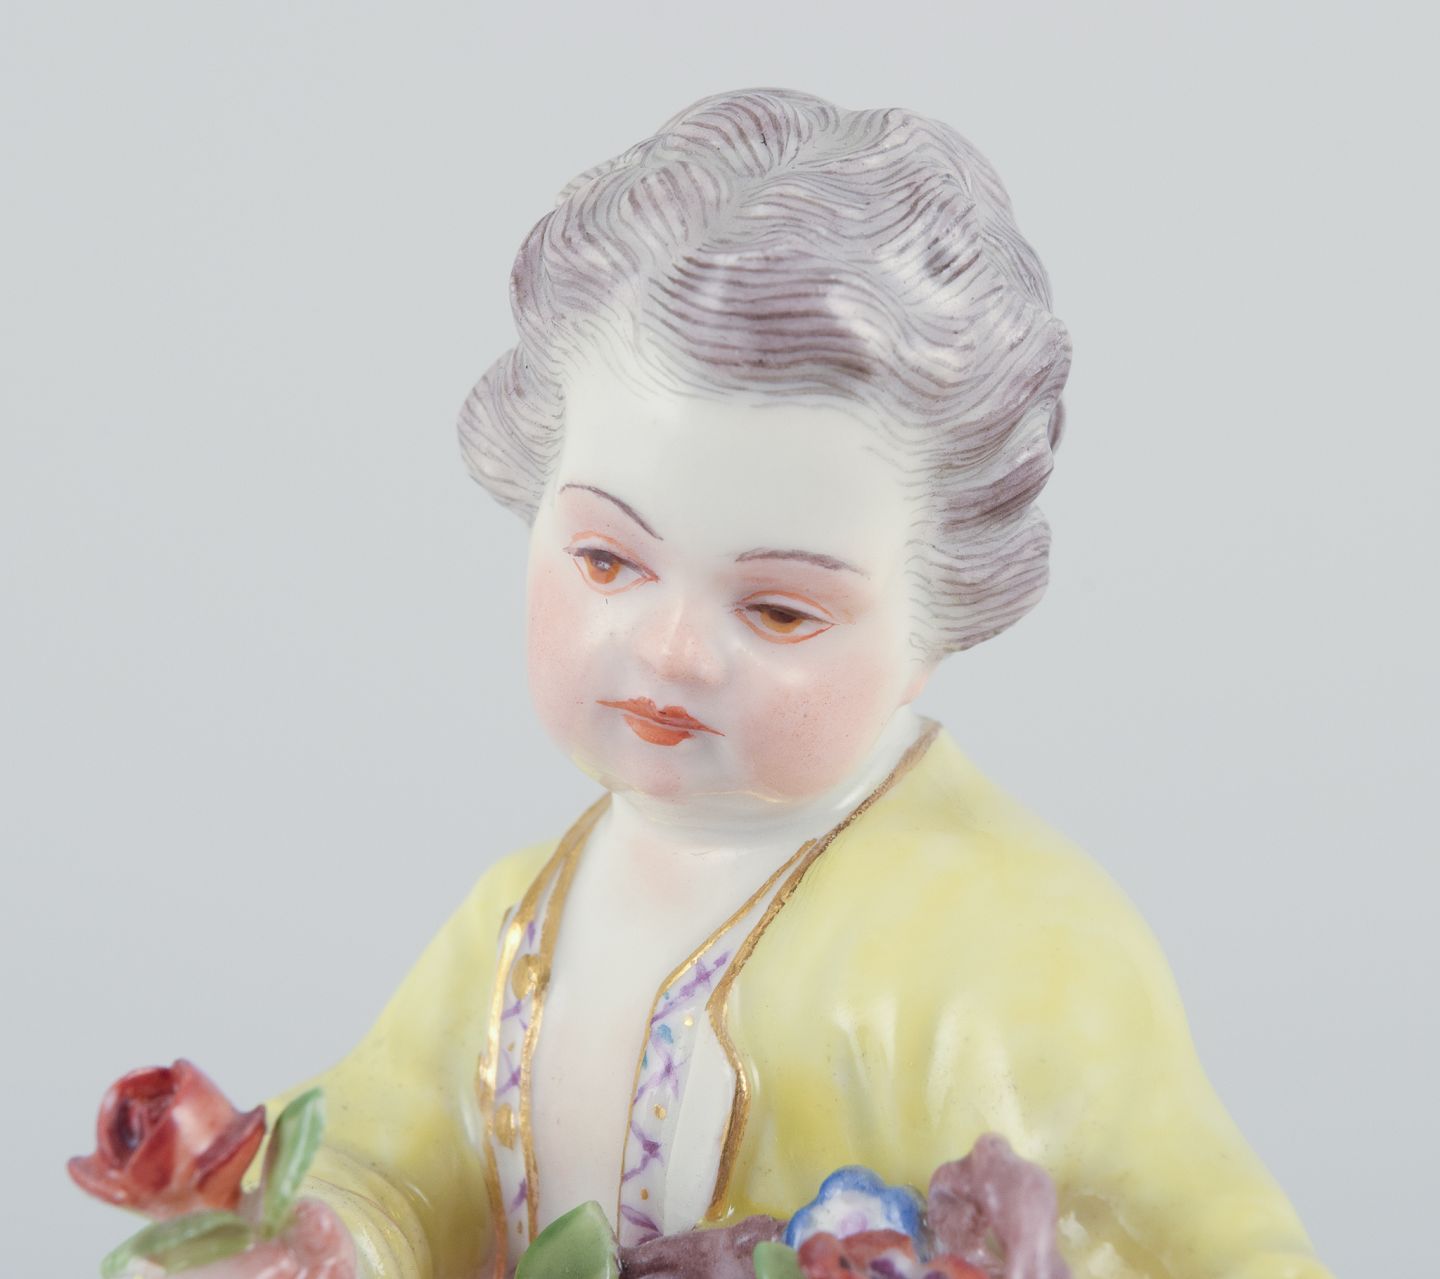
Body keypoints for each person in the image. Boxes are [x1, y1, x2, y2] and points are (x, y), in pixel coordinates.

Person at [172, 89, 1333, 1278]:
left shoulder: (1014, 948)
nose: (673, 649)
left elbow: (1177, 1231)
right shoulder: (517, 916)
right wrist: (325, 1241)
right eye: (606, 560)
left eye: (778, 610)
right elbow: (384, 1149)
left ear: (938, 616)